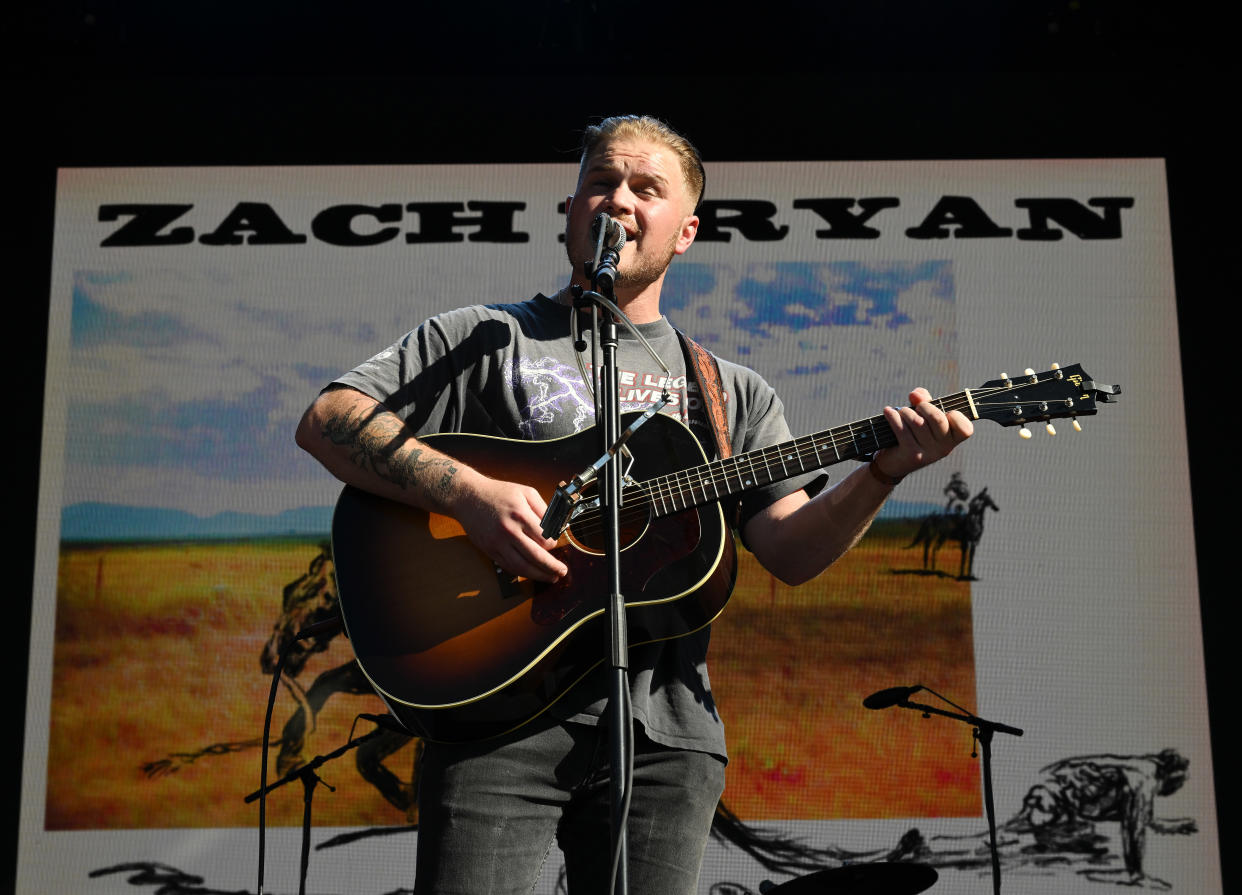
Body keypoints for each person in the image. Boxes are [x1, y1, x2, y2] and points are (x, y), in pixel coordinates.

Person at [295, 114, 973, 895]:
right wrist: (470, 494)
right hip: (494, 715)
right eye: (601, 182)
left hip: (667, 736)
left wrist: (883, 472)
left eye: (644, 188)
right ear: (570, 213)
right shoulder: (485, 337)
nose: (618, 199)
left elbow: (789, 549)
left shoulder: (731, 392)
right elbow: (329, 420)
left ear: (684, 232)